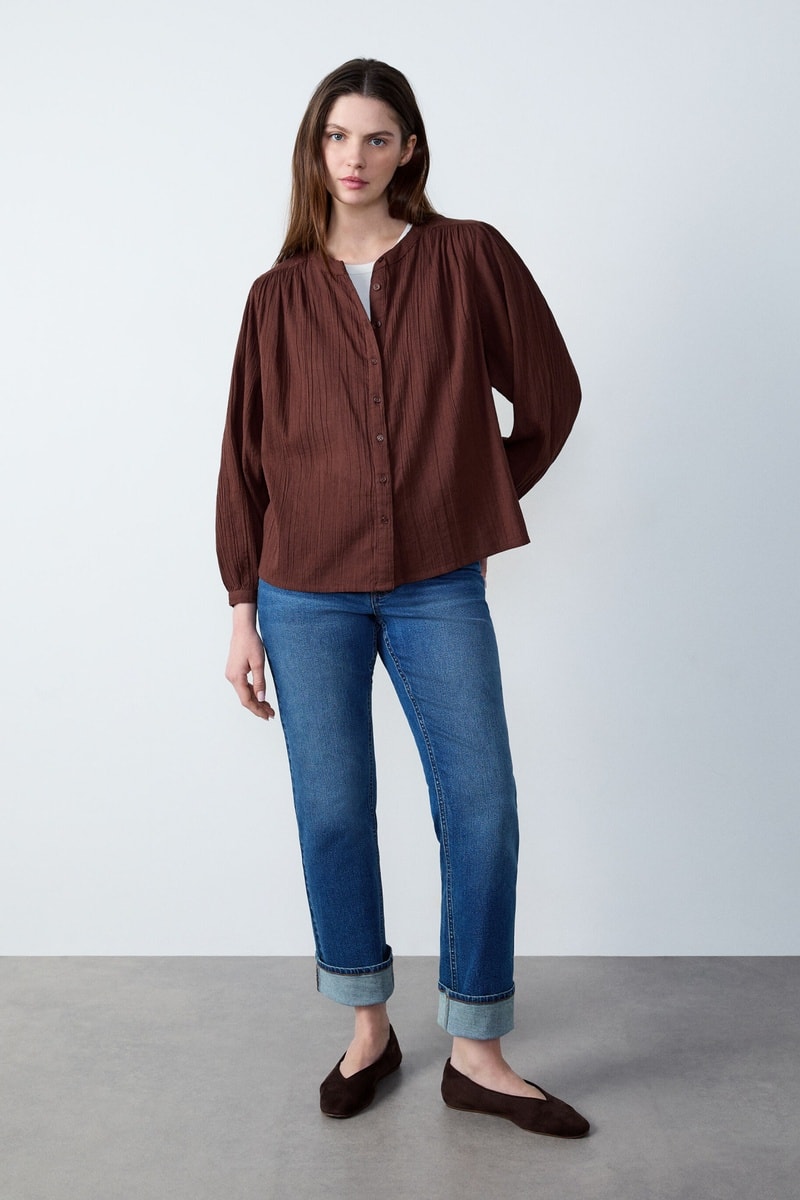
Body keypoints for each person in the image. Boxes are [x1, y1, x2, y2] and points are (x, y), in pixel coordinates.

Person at [216, 58, 588, 1138]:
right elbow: (245, 457)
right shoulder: (276, 296)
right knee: (334, 811)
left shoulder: (467, 256)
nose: (354, 157)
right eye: (337, 136)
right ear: (314, 148)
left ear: (408, 149)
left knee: (481, 808)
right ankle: (367, 1027)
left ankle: (476, 1051)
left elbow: (551, 394)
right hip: (301, 591)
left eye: (376, 137)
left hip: (435, 586)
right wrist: (240, 607)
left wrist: (467, 503)